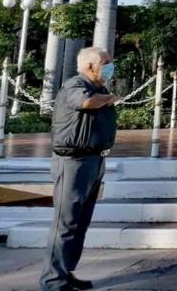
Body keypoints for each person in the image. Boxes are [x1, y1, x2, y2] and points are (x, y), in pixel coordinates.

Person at [40, 47, 120, 291]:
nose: (109, 66)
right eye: (105, 63)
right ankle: (53, 279)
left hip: (94, 161)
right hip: (72, 162)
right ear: (89, 66)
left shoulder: (99, 88)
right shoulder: (75, 85)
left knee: (80, 222)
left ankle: (66, 272)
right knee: (66, 222)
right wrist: (109, 99)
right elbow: (86, 103)